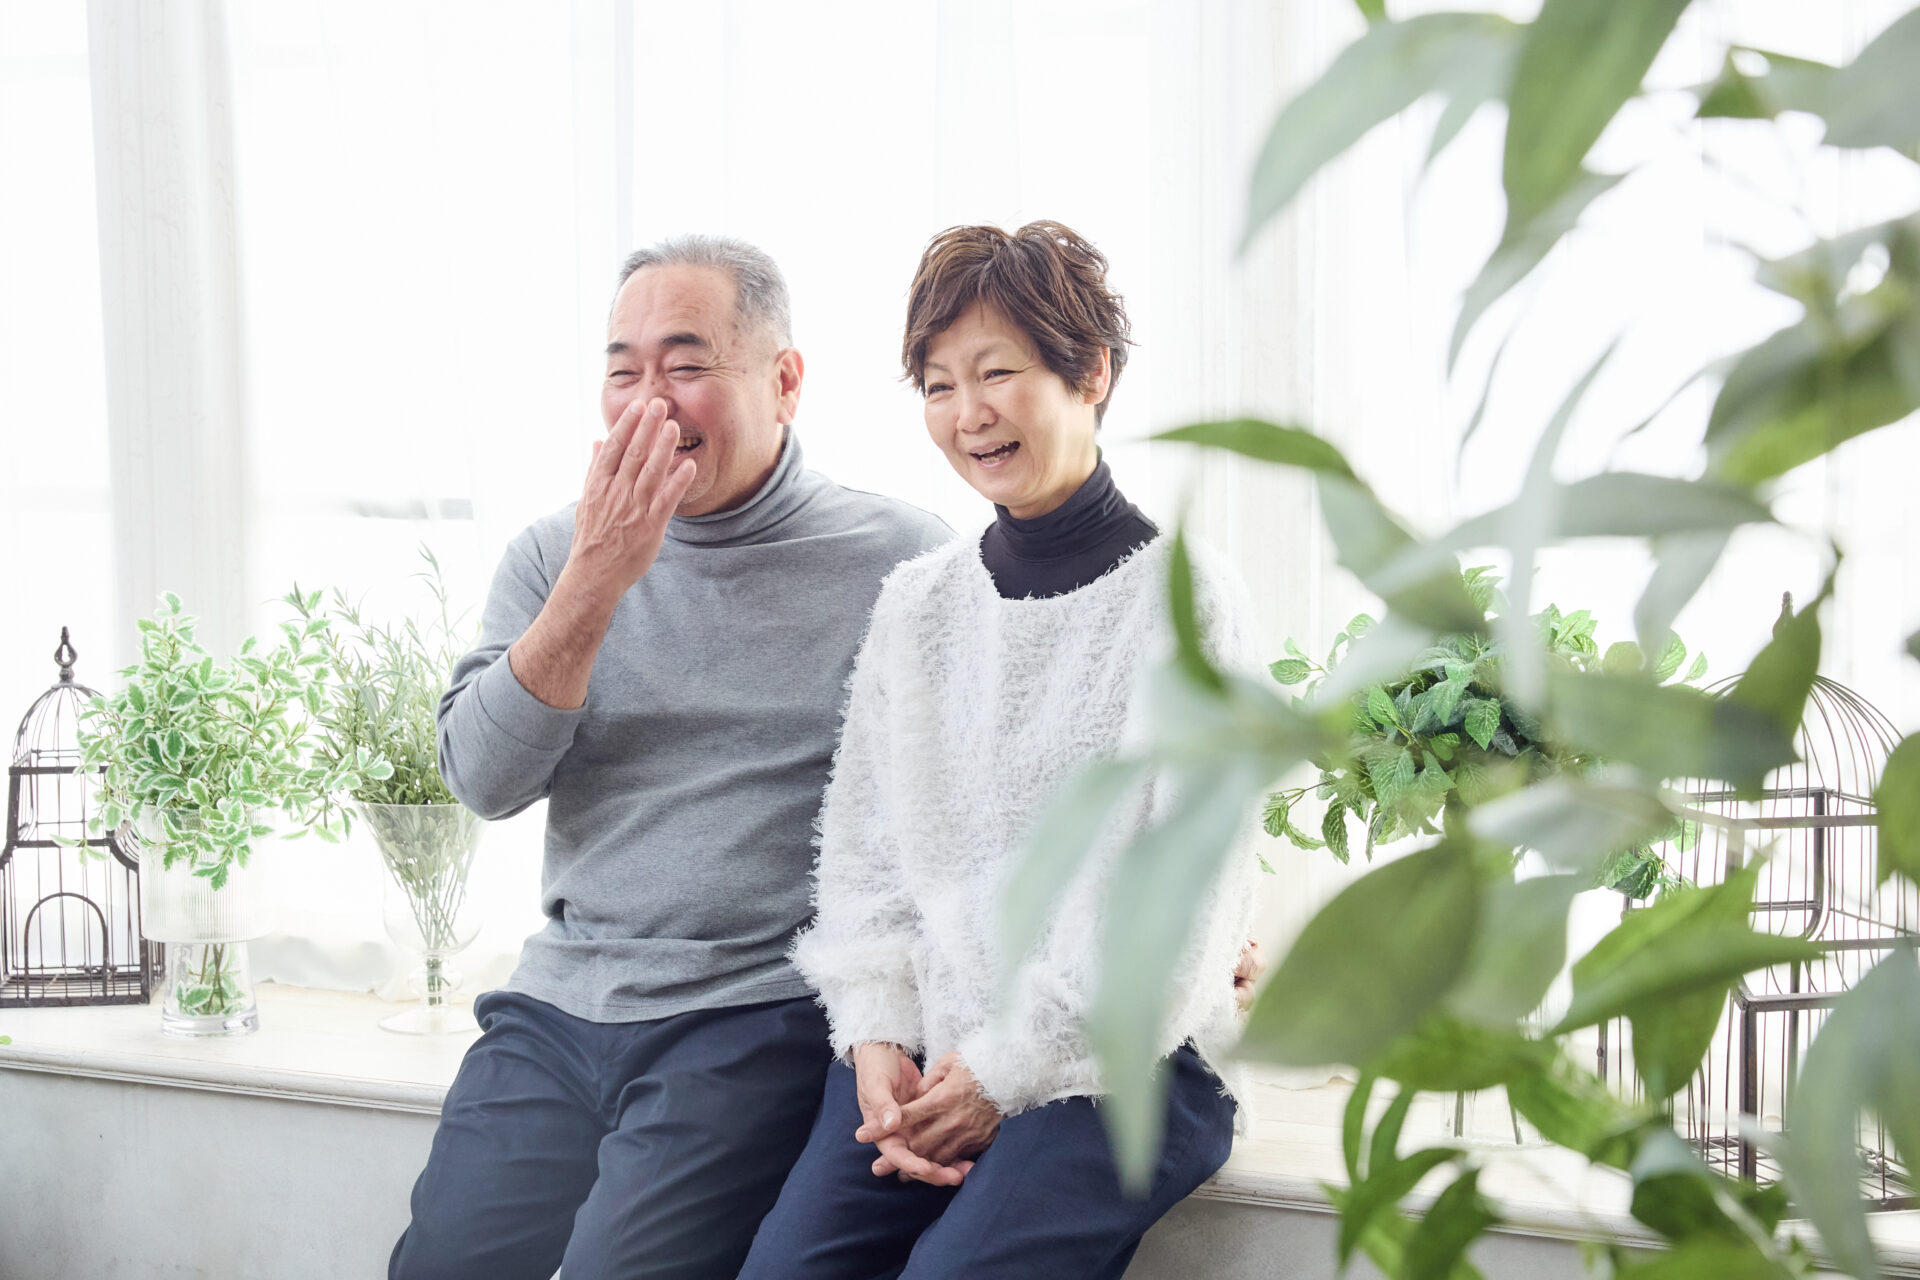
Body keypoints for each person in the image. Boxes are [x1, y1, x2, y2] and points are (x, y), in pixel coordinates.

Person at [391, 236, 952, 1280]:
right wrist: (596, 579)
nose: (649, 402)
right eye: (623, 371)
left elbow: (968, 809)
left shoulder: (901, 560)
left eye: (687, 365)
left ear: (785, 381)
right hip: (556, 1001)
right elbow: (481, 780)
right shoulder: (553, 556)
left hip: (747, 1012)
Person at [738, 221, 1262, 1280]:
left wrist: (1004, 1071)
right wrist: (875, 1036)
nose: (967, 412)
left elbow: (1182, 914)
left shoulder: (1189, 602)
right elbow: (864, 859)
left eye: (997, 373)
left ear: (1091, 371)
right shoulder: (918, 604)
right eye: (938, 385)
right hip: (933, 1046)